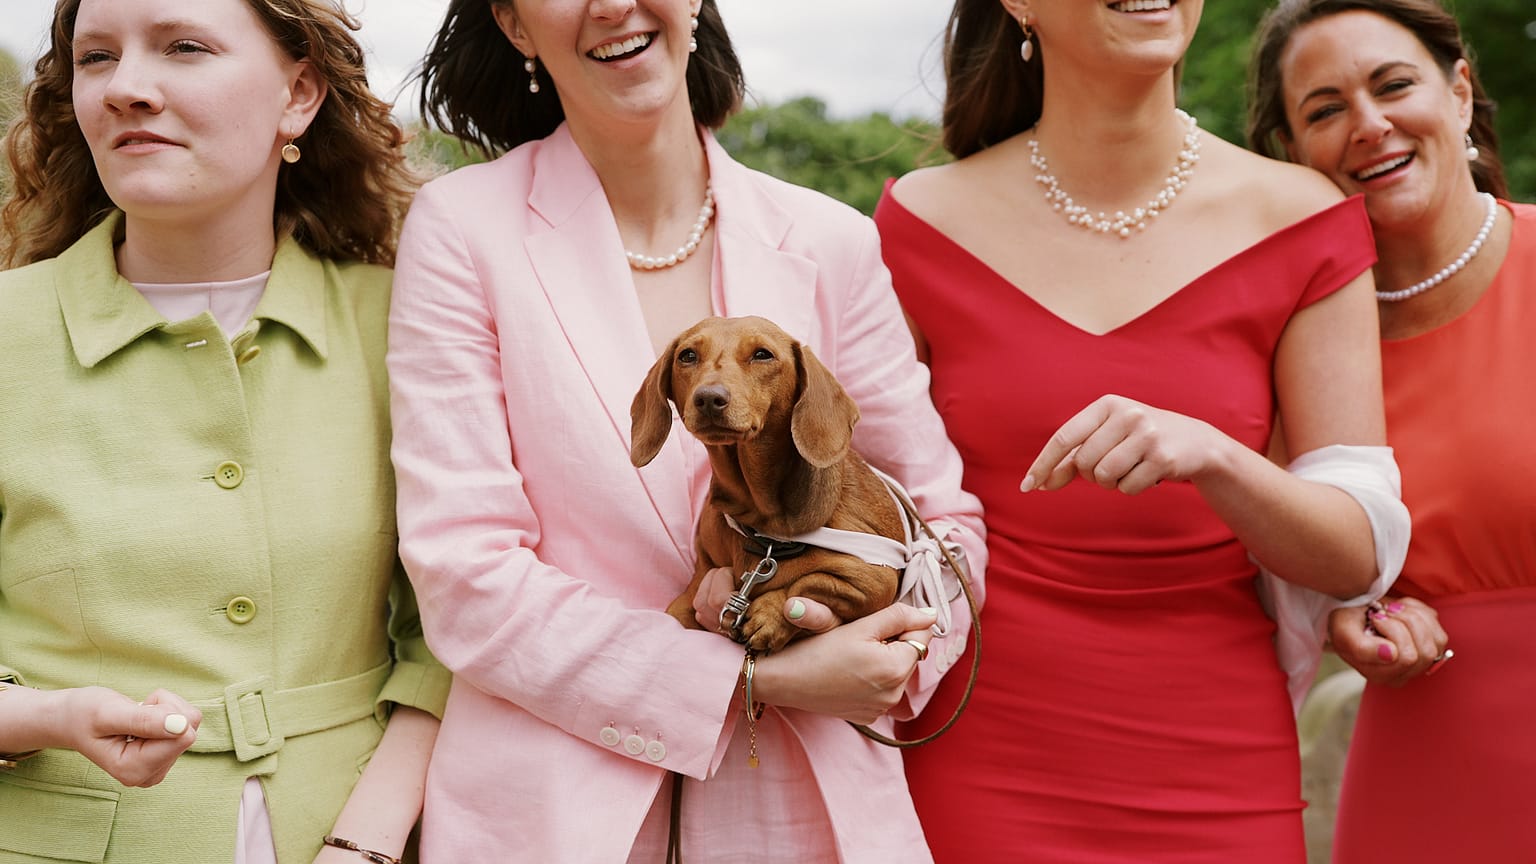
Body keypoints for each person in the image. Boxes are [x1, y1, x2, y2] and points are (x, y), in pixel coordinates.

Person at [387, 1, 986, 861]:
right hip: (557, 810)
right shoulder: (459, 230)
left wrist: (884, 657)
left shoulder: (832, 239)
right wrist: (745, 678)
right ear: (514, 24)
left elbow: (945, 531)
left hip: (805, 805)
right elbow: (464, 572)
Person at [871, 0, 1411, 860]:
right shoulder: (917, 226)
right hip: (977, 749)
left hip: (1221, 758)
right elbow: (872, 506)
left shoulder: (1306, 221)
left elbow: (1357, 554)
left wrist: (1216, 456)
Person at [0, 1, 448, 862]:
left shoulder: (408, 326)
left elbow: (453, 641)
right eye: (96, 58)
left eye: (184, 47)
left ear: (300, 93)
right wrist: (45, 714)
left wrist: (367, 844)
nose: (127, 87)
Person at [1248, 0, 1534, 858]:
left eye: (1393, 85)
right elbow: (1293, 560)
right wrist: (1348, 611)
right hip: (1425, 765)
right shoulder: (1284, 351)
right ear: (1296, 154)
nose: (1369, 126)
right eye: (1326, 110)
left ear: (1459, 92)